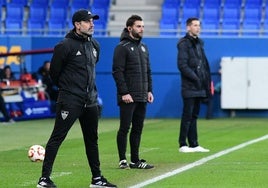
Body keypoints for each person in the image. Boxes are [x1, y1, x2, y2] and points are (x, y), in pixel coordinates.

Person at [36, 9, 117, 188]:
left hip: (91, 101)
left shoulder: (94, 45)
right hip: (70, 100)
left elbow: (91, 69)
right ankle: (44, 179)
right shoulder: (64, 46)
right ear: (77, 24)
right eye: (88, 21)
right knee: (57, 137)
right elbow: (54, 74)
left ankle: (97, 179)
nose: (92, 24)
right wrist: (69, 89)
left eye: (92, 21)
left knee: (92, 140)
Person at [112, 15, 154, 169]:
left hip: (142, 95)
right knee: (125, 128)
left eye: (142, 26)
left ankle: (135, 161)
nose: (141, 29)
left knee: (138, 128)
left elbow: (148, 71)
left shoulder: (144, 47)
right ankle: (122, 159)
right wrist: (124, 92)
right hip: (128, 96)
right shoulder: (121, 48)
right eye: (138, 26)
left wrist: (149, 90)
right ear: (129, 28)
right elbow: (117, 72)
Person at [177, 17, 212, 153]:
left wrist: (205, 82)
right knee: (187, 115)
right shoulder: (183, 44)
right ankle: (182, 144)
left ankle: (194, 143)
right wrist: (196, 78)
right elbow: (182, 65)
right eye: (195, 25)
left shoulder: (199, 44)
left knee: (194, 115)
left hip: (199, 86)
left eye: (199, 25)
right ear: (188, 27)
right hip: (189, 86)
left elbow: (203, 65)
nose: (198, 28)